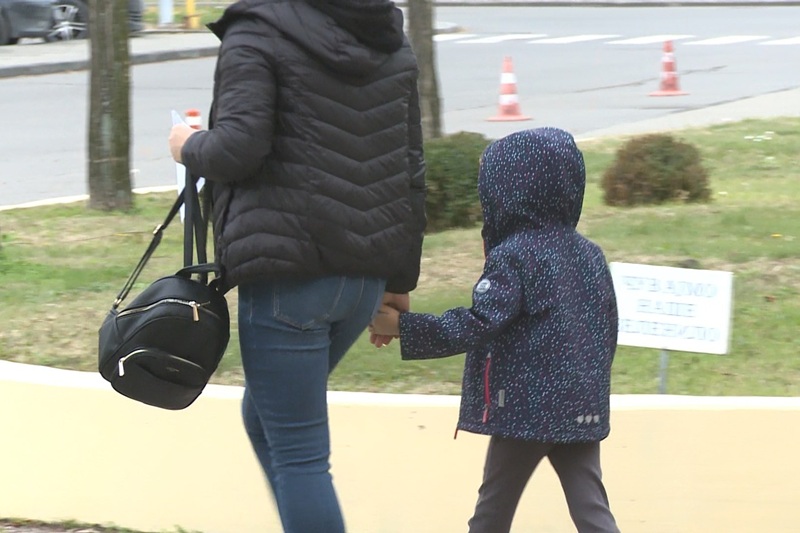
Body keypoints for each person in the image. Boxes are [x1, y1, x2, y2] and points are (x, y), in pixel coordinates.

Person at [167, 0, 426, 530]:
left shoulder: (256, 32)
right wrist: (397, 285)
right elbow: (411, 169)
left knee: (301, 456)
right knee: (264, 421)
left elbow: (237, 149)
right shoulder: (390, 39)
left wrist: (188, 145)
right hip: (362, 279)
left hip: (288, 275)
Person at [370, 127, 620, 533]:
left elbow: (477, 323)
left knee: (491, 515)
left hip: (523, 413)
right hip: (581, 406)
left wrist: (405, 328)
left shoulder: (514, 257)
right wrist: (589, 386)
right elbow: (606, 327)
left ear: (504, 195)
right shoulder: (591, 254)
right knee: (593, 511)